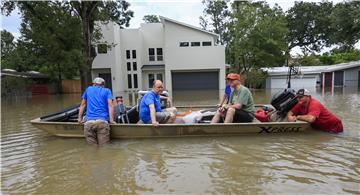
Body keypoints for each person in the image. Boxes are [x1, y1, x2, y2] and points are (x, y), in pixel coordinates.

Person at [78, 77, 115, 147]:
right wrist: (111, 120)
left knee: (92, 149)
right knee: (104, 148)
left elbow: (82, 105)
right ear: (103, 84)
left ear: (94, 84)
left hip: (89, 123)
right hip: (102, 122)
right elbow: (111, 105)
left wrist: (79, 118)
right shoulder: (107, 91)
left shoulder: (88, 89)